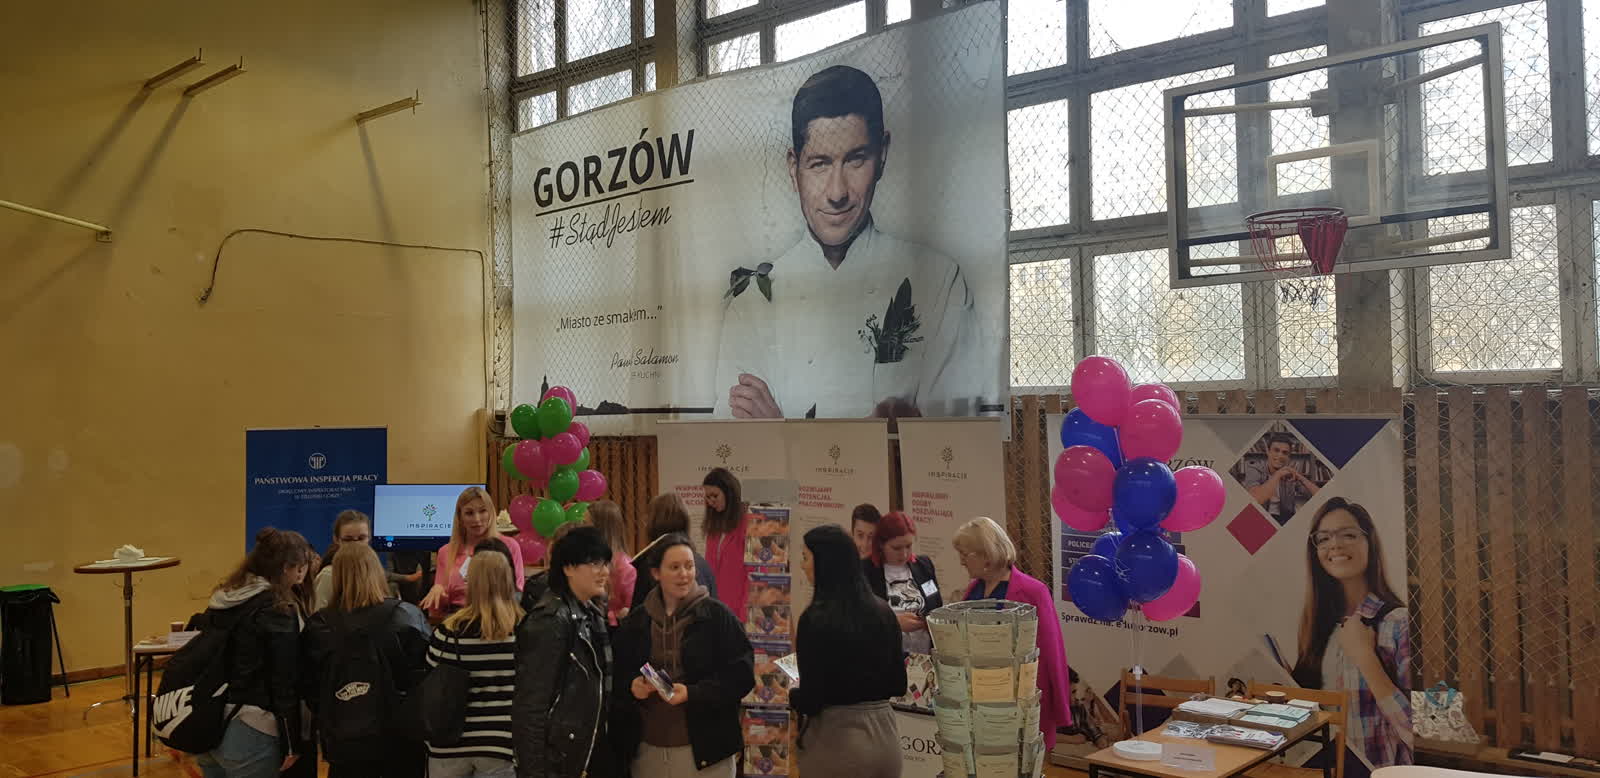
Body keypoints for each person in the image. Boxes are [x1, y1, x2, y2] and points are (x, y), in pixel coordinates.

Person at [713, 64, 984, 420]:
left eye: (856, 160)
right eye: (819, 164)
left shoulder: (939, 281)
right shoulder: (753, 302)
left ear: (882, 154)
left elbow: (950, 428)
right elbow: (735, 430)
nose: (837, 192)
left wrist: (779, 431)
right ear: (793, 168)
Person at [612, 534, 754, 777]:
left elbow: (741, 677)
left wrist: (692, 692)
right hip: (648, 751)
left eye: (689, 566)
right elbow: (618, 673)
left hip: (707, 753)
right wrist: (632, 686)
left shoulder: (718, 617)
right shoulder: (638, 621)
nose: (684, 574)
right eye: (675, 567)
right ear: (656, 573)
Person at [1291, 498, 1412, 778]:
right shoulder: (1315, 628)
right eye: (1323, 538)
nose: (1335, 545)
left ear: (1370, 542)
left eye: (1348, 534)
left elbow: (1426, 735)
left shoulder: (1399, 623)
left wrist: (1367, 660)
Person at [301, 544, 431, 778]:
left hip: (344, 737)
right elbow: (425, 675)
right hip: (401, 737)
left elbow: (309, 686)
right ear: (376, 572)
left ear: (337, 577)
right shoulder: (406, 615)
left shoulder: (319, 625)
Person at [195, 528, 315, 778]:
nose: (303, 572)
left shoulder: (223, 599)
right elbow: (284, 681)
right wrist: (292, 743)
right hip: (250, 729)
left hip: (208, 723)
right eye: (301, 565)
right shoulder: (276, 610)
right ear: (287, 568)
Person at [789, 525, 905, 778]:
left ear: (824, 563)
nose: (802, 566)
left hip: (836, 743)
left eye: (806, 558)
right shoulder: (884, 612)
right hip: (886, 741)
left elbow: (812, 699)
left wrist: (789, 695)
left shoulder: (814, 619)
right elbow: (899, 684)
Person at [954, 516, 1072, 750]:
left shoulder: (1033, 591)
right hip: (979, 698)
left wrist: (1060, 709)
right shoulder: (974, 589)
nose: (961, 562)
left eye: (965, 554)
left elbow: (1052, 652)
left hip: (1019, 699)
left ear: (986, 555)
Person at [512, 526, 616, 778]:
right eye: (594, 563)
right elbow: (531, 706)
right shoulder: (551, 620)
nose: (604, 571)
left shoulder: (591, 614)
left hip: (583, 755)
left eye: (605, 563)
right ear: (568, 568)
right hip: (556, 761)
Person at [424, 546, 522, 778]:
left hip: (448, 744)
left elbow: (430, 678)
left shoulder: (447, 632)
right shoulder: (523, 630)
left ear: (470, 582)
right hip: (501, 744)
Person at [421, 487, 525, 617]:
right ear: (460, 518)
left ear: (491, 513)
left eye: (483, 511)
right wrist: (437, 591)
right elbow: (439, 605)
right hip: (457, 617)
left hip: (498, 616)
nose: (477, 519)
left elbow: (518, 593)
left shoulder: (509, 546)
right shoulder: (446, 552)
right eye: (469, 513)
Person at [862, 511, 939, 655]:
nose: (904, 554)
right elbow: (857, 621)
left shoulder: (923, 566)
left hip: (923, 655)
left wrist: (927, 621)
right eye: (896, 548)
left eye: (908, 546)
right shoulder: (864, 571)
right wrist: (893, 623)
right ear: (881, 544)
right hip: (884, 656)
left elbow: (936, 605)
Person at [314, 510, 422, 611]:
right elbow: (319, 617)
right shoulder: (328, 575)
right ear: (336, 540)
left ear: (369, 538)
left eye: (361, 538)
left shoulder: (375, 570)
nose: (356, 545)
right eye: (348, 540)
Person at [631, 494, 718, 609]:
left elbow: (641, 615)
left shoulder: (651, 563)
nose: (683, 574)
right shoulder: (702, 563)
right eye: (675, 567)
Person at [702, 469, 752, 621]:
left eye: (715, 496)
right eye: (707, 497)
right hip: (716, 610)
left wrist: (745, 614)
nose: (711, 501)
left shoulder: (749, 523)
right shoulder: (713, 527)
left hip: (739, 612)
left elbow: (752, 575)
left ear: (729, 493)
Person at [1243, 433, 1321, 523]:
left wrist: (1300, 477)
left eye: (1285, 453)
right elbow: (1256, 499)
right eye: (1276, 450)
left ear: (1288, 457)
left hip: (1285, 519)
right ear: (1268, 451)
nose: (1280, 455)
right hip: (1259, 517)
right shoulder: (1254, 468)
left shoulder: (1290, 473)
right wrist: (1278, 474)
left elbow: (1320, 496)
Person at [588, 500, 638, 625]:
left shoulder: (627, 569)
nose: (582, 529)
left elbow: (632, 611)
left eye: (586, 524)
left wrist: (613, 616)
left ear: (600, 529)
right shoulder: (586, 560)